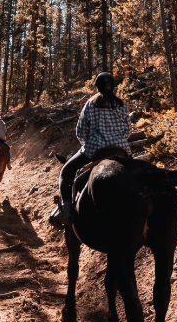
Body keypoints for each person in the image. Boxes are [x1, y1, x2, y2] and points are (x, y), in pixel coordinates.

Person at [53, 72, 131, 225]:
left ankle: (67, 209)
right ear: (113, 87)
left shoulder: (91, 104)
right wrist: (118, 140)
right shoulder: (121, 104)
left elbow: (81, 131)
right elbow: (128, 130)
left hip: (95, 149)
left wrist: (87, 144)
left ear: (97, 87)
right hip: (121, 149)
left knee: (66, 171)